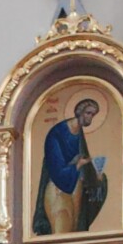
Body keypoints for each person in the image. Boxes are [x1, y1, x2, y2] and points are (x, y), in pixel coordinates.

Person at [32, 96, 108, 235]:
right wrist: (78, 164)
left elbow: (84, 165)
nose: (90, 118)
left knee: (75, 230)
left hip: (75, 189)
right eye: (88, 113)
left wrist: (96, 177)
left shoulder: (79, 134)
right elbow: (56, 169)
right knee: (61, 233)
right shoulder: (57, 133)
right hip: (58, 190)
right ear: (79, 112)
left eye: (93, 115)